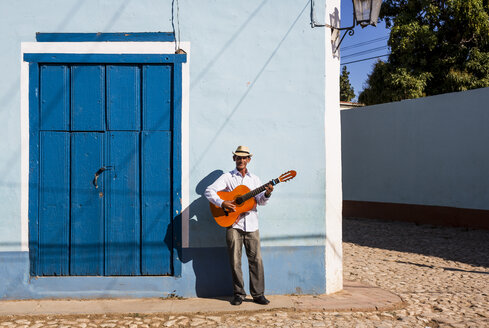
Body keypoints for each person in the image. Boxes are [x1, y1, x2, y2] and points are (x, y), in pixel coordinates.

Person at [205, 145, 273, 306]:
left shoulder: (254, 180)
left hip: (251, 224)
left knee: (256, 260)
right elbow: (209, 191)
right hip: (233, 224)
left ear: (249, 160)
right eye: (238, 157)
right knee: (235, 261)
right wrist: (222, 203)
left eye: (244, 157)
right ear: (234, 158)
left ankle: (258, 294)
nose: (241, 160)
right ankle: (239, 294)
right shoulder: (227, 177)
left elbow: (261, 201)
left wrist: (268, 193)